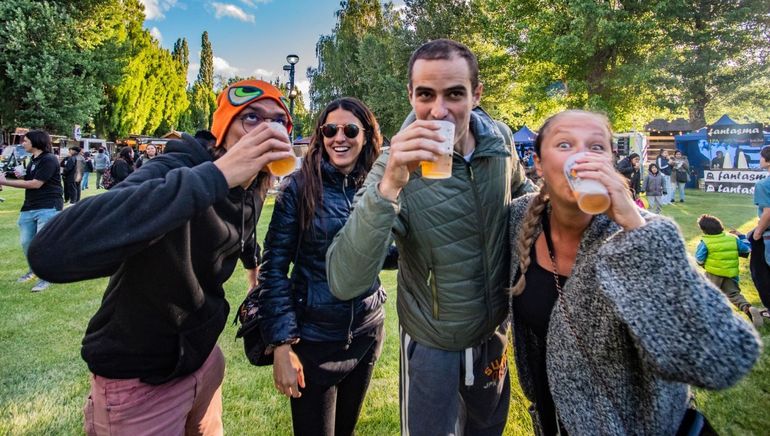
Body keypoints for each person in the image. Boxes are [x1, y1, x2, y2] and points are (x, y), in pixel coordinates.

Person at [27, 79, 295, 435]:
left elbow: (244, 233)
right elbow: (50, 252)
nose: (267, 130)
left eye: (278, 122)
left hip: (204, 361)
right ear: (222, 131)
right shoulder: (177, 166)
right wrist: (218, 174)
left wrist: (252, 271)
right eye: (250, 118)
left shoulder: (254, 187)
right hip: (140, 381)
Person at [326, 39, 536, 435]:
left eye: (454, 93)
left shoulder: (500, 142)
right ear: (411, 95)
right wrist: (390, 186)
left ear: (477, 94)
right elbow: (344, 280)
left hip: (492, 333)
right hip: (430, 342)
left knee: (487, 429)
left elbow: (521, 198)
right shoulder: (392, 164)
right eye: (425, 94)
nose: (439, 111)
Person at [508, 110, 760, 435]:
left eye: (597, 147)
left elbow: (723, 358)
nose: (583, 156)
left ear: (611, 161)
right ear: (538, 164)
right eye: (565, 144)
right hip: (552, 419)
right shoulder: (519, 219)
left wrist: (635, 228)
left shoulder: (648, 235)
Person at [254, 97, 396, 435]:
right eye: (330, 129)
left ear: (366, 136)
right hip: (314, 340)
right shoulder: (299, 187)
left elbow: (374, 256)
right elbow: (273, 268)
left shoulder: (376, 187)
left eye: (350, 129)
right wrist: (282, 345)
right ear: (321, 134)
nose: (339, 137)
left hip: (366, 331)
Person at [0, 130, 63, 292]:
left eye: (25, 141)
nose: (23, 143)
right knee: (26, 242)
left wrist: (5, 182)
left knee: (43, 244)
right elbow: (30, 180)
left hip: (48, 206)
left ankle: (47, 277)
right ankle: (34, 270)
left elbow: (36, 184)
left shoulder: (49, 159)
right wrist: (20, 176)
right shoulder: (34, 159)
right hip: (30, 206)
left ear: (36, 142)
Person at [694, 214, 765, 328]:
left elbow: (699, 258)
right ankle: (748, 308)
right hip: (730, 274)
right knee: (734, 294)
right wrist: (741, 236)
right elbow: (747, 249)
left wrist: (702, 265)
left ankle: (706, 319)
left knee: (707, 294)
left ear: (704, 230)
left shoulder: (705, 242)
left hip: (713, 274)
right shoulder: (732, 239)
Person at [750, 146, 770, 306]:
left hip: (768, 235)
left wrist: (757, 233)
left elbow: (767, 213)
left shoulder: (763, 184)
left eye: (761, 157)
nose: (759, 160)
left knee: (761, 274)